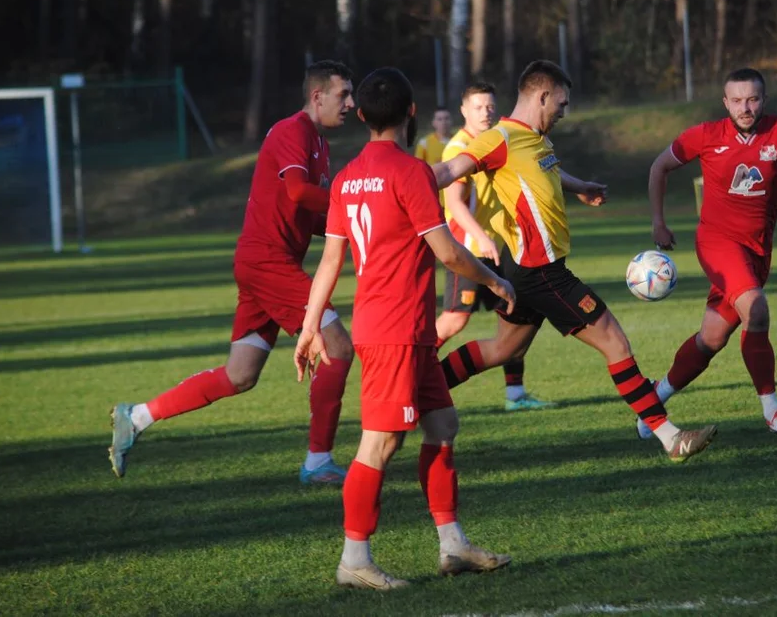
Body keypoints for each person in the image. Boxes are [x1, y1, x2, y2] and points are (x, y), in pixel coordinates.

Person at [431, 59, 718, 463]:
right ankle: (670, 437)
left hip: (524, 271)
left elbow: (547, 171)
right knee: (614, 342)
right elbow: (449, 170)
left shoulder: (538, 140)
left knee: (502, 350)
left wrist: (581, 187)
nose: (564, 112)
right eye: (561, 104)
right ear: (542, 96)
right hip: (540, 271)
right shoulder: (499, 138)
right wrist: (401, 183)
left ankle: (420, 391)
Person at [295, 67, 513, 590]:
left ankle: (452, 544)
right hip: (395, 329)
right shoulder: (411, 173)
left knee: (441, 427)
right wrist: (495, 281)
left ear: (363, 116)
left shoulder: (347, 179)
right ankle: (353, 558)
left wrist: (308, 328)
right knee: (379, 444)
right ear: (413, 112)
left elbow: (328, 263)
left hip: (402, 328)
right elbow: (447, 253)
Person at [108, 60, 358, 485]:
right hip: (267, 261)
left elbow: (312, 215)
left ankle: (136, 417)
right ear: (317, 97)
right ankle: (318, 462)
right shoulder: (292, 131)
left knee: (241, 375)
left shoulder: (319, 143)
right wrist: (356, 204)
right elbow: (300, 192)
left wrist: (359, 228)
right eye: (344, 95)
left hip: (264, 263)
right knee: (338, 346)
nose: (351, 103)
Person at [637, 67, 777, 439]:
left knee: (711, 339)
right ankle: (773, 410)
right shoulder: (705, 135)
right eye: (736, 100)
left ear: (763, 100)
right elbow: (659, 166)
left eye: (752, 99)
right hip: (716, 243)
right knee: (757, 308)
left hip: (757, 251)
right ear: (725, 103)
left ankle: (655, 399)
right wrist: (658, 222)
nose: (745, 107)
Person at [436, 80, 553, 411]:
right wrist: (483, 237)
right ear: (464, 111)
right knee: (455, 319)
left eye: (489, 106)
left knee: (513, 313)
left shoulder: (498, 140)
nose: (485, 112)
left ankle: (515, 395)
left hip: (500, 247)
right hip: (469, 249)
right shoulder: (458, 148)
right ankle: (415, 370)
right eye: (477, 107)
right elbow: (456, 205)